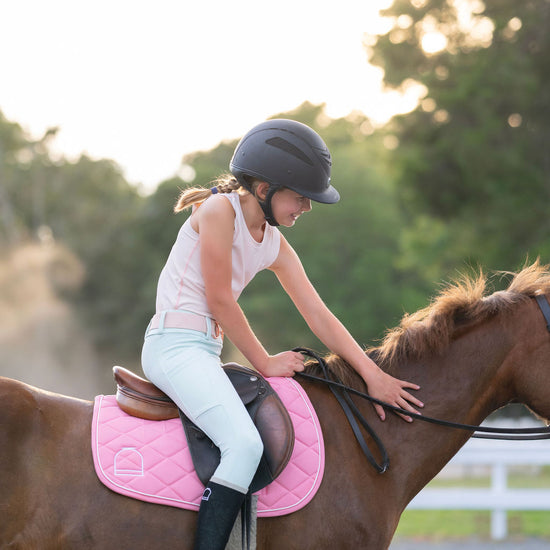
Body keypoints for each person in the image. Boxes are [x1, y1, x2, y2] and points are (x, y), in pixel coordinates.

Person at [141, 119, 423, 549]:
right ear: (263, 189)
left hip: (202, 351)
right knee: (242, 445)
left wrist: (372, 375)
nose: (306, 208)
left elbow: (319, 315)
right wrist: (266, 362)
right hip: (173, 346)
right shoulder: (218, 212)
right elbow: (219, 300)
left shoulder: (272, 242)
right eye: (300, 197)